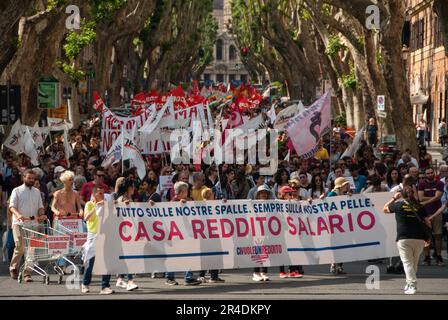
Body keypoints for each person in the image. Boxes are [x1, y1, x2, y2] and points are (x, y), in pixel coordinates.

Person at [383, 176, 430, 295]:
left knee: (407, 262)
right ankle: (409, 283)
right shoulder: (420, 206)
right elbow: (428, 221)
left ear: (402, 194)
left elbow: (384, 209)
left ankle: (412, 284)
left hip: (404, 237)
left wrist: (394, 197)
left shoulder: (398, 205)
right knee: (413, 262)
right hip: (419, 238)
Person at [8, 170, 46, 282]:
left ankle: (27, 273)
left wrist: (42, 214)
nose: (31, 180)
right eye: (29, 178)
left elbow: (40, 206)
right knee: (19, 247)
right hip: (19, 223)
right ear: (23, 178)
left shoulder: (37, 192)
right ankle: (13, 267)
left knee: (31, 250)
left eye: (33, 178)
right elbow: (12, 207)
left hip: (33, 224)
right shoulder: (17, 190)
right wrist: (18, 215)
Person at [165, 181, 202, 286]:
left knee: (189, 254)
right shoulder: (173, 203)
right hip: (175, 234)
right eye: (186, 191)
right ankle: (169, 277)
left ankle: (188, 277)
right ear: (182, 192)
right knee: (173, 255)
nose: (188, 193)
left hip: (186, 233)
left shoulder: (188, 201)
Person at [81, 186, 114, 294]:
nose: (103, 196)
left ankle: (105, 286)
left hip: (105, 235)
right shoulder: (89, 204)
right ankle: (85, 284)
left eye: (103, 193)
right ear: (94, 194)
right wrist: (96, 207)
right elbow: (86, 218)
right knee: (91, 262)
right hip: (94, 235)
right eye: (100, 193)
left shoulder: (107, 205)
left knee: (107, 262)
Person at [114, 179, 139, 291]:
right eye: (132, 186)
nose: (133, 189)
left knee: (126, 257)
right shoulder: (121, 199)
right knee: (128, 257)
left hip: (129, 232)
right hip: (123, 233)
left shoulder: (129, 198)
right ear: (127, 188)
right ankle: (130, 281)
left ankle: (120, 279)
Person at [418, 167, 444, 266]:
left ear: (434, 173)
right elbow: (420, 197)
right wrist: (435, 197)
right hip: (425, 213)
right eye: (427, 173)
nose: (429, 174)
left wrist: (426, 201)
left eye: (431, 172)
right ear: (425, 175)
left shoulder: (440, 183)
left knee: (438, 235)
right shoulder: (422, 183)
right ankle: (427, 257)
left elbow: (439, 196)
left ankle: (439, 256)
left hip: (437, 212)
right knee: (426, 236)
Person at [278, 185, 304, 279]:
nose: (291, 195)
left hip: (293, 231)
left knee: (293, 251)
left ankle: (292, 270)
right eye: (289, 193)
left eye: (291, 193)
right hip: (282, 232)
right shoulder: (278, 204)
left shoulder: (294, 203)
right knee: (283, 252)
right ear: (284, 195)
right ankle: (282, 271)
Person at [327, 177, 351, 275]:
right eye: (346, 184)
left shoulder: (346, 195)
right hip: (334, 224)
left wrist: (349, 197)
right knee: (335, 245)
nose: (347, 186)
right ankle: (333, 265)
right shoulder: (332, 194)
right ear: (341, 185)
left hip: (343, 224)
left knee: (343, 245)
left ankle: (340, 266)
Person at [252, 184, 273, 281]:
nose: (264, 194)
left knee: (266, 251)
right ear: (258, 195)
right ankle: (256, 273)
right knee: (257, 251)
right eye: (262, 193)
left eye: (265, 193)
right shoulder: (252, 204)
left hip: (267, 232)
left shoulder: (272, 205)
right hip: (256, 231)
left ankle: (263, 272)